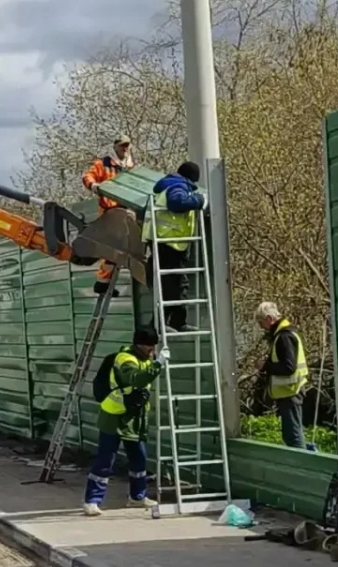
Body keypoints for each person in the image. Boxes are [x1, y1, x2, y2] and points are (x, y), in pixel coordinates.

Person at [83, 327, 168, 516]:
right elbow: (136, 380)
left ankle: (137, 497)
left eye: (153, 348)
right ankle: (92, 501)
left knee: (139, 458)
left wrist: (154, 363)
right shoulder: (125, 360)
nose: (152, 352)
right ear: (139, 345)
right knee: (106, 459)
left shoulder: (144, 358)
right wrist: (158, 365)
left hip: (133, 418)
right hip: (114, 416)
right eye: (149, 348)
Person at [149, 161, 205, 332]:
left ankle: (167, 322)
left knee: (172, 286)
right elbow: (177, 203)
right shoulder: (177, 186)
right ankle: (170, 323)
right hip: (169, 244)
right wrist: (199, 199)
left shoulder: (169, 185)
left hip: (167, 243)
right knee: (177, 286)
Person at [82, 134, 136, 296]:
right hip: (110, 210)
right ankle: (103, 281)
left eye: (127, 145)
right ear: (115, 147)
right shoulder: (104, 164)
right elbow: (87, 176)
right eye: (122, 146)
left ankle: (104, 281)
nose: (125, 148)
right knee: (112, 248)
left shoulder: (131, 165)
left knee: (118, 249)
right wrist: (94, 186)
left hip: (126, 210)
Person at [255, 302, 309, 449]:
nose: (260, 327)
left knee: (293, 436)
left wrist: (265, 366)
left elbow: (288, 367)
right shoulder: (284, 334)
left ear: (269, 318)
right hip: (289, 391)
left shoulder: (284, 337)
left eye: (260, 322)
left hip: (291, 392)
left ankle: (300, 465)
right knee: (290, 434)